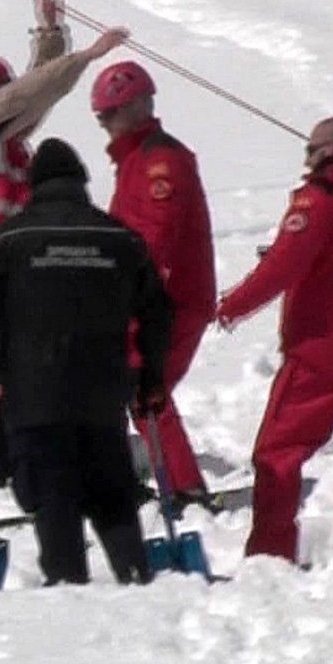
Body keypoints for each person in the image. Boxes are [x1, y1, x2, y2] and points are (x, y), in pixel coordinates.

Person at [0, 0, 130, 472]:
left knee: (18, 354)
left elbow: (28, 93)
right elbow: (24, 96)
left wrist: (49, 34)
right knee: (19, 357)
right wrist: (85, 57)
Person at [0, 139, 173, 586]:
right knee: (111, 490)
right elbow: (158, 312)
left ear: (34, 186)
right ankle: (137, 579)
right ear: (81, 182)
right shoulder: (119, 238)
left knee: (52, 492)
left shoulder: (9, 239)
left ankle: (69, 590)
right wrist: (152, 380)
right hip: (102, 395)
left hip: (34, 395)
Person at [215, 116, 333, 563]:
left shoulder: (321, 198)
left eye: (310, 152)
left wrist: (230, 306)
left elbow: (284, 265)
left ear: (328, 151)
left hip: (320, 348)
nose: (306, 163)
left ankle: (270, 550)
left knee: (279, 450)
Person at [91, 61, 217, 504]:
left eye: (115, 112)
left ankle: (185, 489)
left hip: (173, 300)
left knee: (149, 391)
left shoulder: (160, 160)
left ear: (143, 104)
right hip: (153, 300)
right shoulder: (135, 162)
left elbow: (157, 239)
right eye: (102, 116)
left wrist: (130, 295)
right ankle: (174, 482)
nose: (108, 124)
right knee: (139, 390)